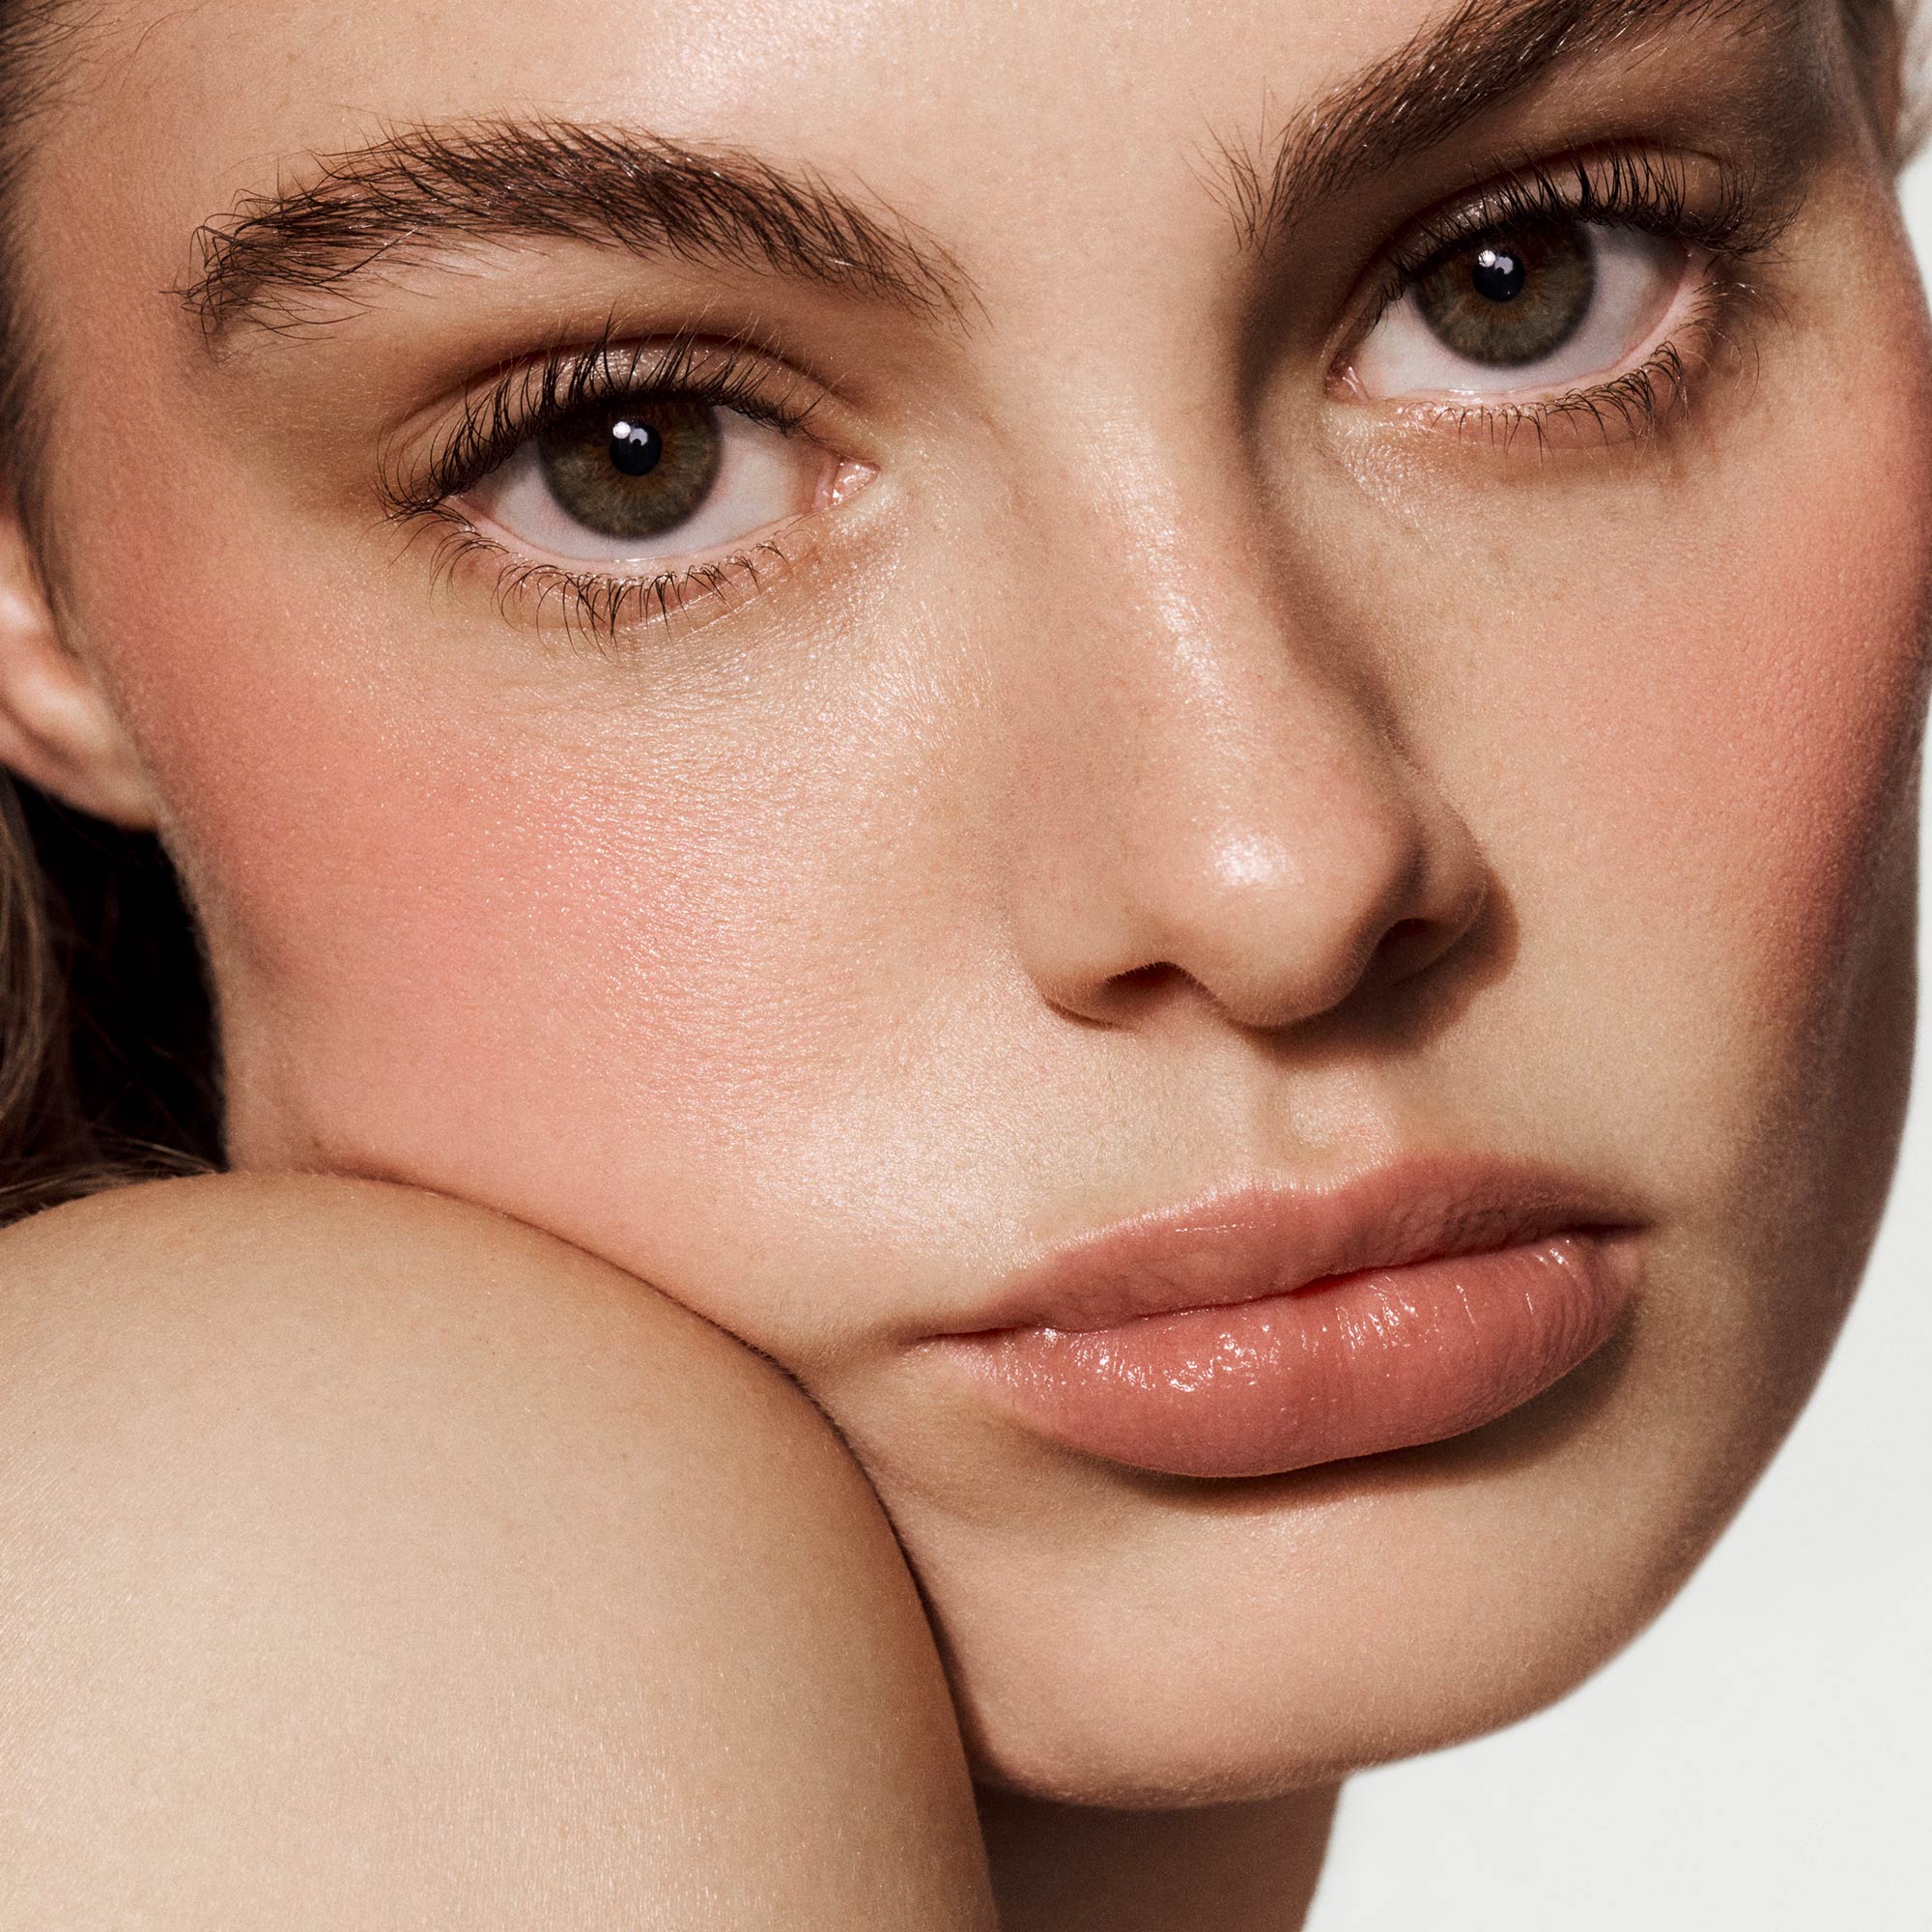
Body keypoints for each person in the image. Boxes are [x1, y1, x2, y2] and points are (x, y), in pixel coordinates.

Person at [0, 0, 1924, 1921]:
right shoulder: (279, 1540)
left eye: (1519, 285)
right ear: (30, 581)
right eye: (632, 460)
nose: (1272, 878)